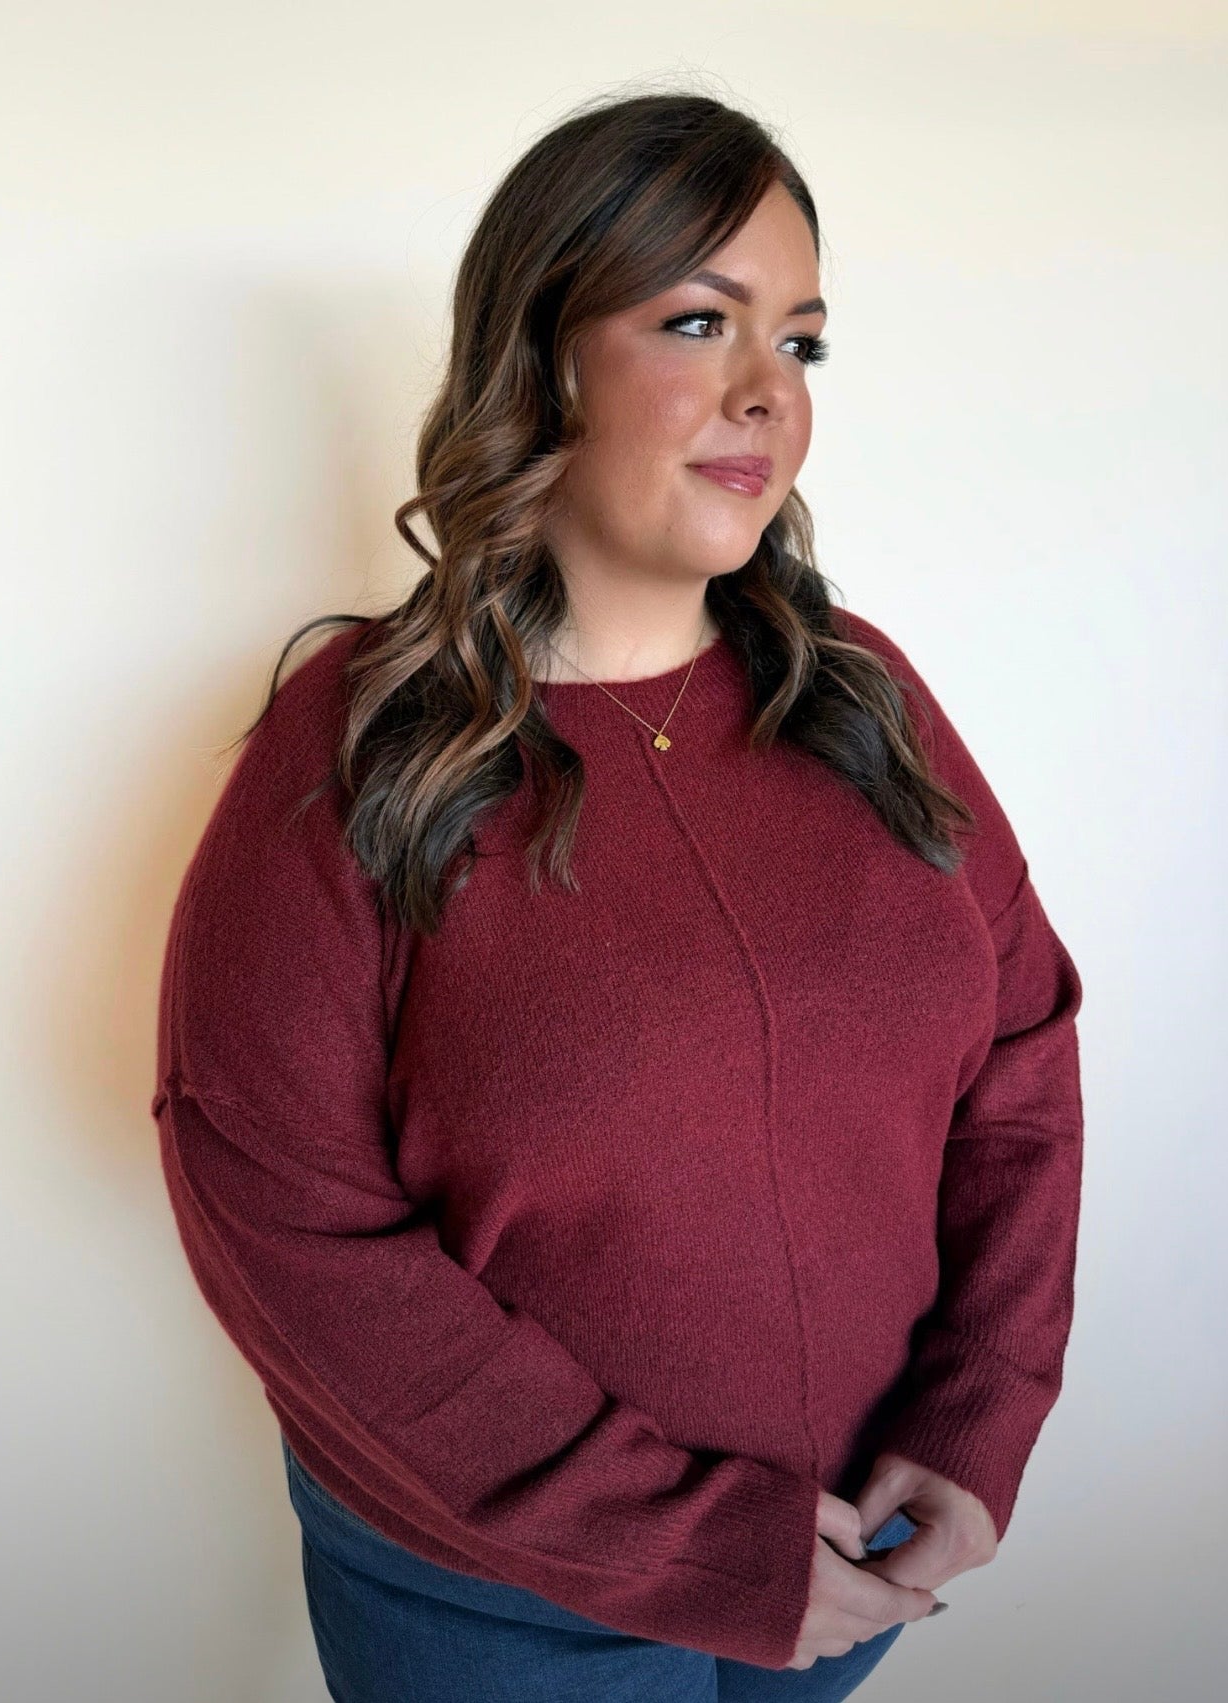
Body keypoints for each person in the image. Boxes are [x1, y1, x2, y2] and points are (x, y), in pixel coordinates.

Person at [151, 90, 1084, 1701]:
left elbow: (1021, 1066)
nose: (762, 396)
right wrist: (667, 1540)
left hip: (851, 1553)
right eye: (696, 320)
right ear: (541, 356)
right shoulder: (362, 744)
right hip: (496, 1603)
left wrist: (976, 1410)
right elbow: (280, 1206)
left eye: (798, 342)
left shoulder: (866, 700)